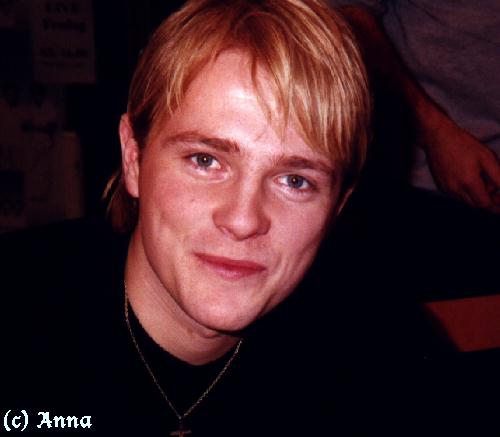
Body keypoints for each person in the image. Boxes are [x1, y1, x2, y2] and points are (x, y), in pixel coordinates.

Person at [1, 1, 372, 435]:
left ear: (337, 207)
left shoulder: (373, 375)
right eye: (205, 160)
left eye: (295, 181)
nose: (242, 220)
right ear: (133, 157)